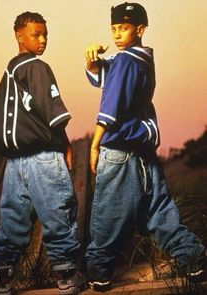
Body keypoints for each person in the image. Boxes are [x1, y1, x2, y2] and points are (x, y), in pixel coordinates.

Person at [84, 2, 206, 291]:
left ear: (140, 29)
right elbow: (110, 75)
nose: (117, 34)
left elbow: (111, 105)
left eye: (124, 28)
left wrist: (94, 145)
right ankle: (194, 260)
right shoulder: (140, 58)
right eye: (113, 28)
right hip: (143, 151)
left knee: (109, 215)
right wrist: (92, 64)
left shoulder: (126, 60)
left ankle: (99, 272)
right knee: (158, 210)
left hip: (119, 151)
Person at [0, 11, 86, 295]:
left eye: (45, 34)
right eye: (36, 34)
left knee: (12, 221)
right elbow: (53, 113)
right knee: (58, 214)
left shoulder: (11, 71)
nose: (43, 40)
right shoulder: (36, 67)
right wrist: (66, 145)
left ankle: (1, 280)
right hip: (43, 156)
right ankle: (67, 276)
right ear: (19, 36)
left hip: (14, 163)